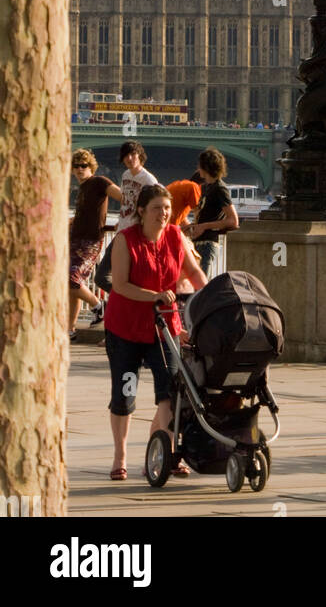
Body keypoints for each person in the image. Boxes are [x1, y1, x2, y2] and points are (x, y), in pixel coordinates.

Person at [104, 183, 207, 480]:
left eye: (166, 208)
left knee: (169, 392)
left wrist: (212, 293)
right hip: (126, 328)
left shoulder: (176, 236)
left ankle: (166, 452)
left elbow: (193, 272)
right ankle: (119, 456)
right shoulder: (126, 240)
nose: (163, 214)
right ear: (141, 211)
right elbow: (120, 285)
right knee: (126, 393)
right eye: (156, 208)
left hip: (164, 329)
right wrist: (156, 296)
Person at [93, 140, 158, 296]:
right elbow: (126, 201)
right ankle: (128, 299)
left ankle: (131, 301)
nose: (129, 159)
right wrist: (120, 221)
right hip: (121, 232)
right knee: (101, 277)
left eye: (133, 154)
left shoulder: (149, 180)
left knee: (132, 278)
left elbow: (155, 208)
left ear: (140, 155)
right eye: (126, 156)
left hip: (136, 237)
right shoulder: (125, 175)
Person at [69, 150, 122, 337]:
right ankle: (70, 329)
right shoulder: (82, 188)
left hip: (90, 242)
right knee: (72, 286)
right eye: (76, 166)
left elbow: (123, 197)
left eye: (83, 166)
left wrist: (124, 218)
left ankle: (99, 306)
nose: (79, 169)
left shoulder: (99, 182)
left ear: (91, 167)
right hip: (75, 240)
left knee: (72, 279)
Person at [185, 149, 239, 277]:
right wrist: (192, 226)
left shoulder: (220, 189)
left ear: (206, 167)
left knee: (201, 286)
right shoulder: (206, 187)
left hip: (207, 244)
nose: (198, 168)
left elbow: (233, 220)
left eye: (200, 165)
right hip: (198, 243)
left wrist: (203, 226)